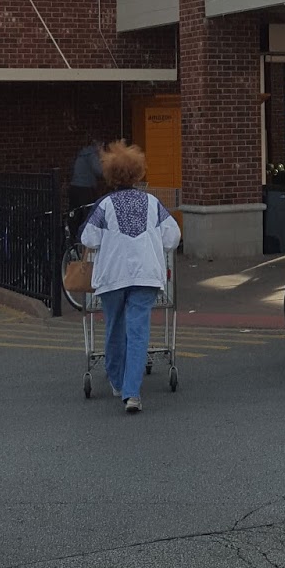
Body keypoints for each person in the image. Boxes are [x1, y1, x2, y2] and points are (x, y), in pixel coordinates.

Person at [81, 142, 181, 415]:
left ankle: (116, 380)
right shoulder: (153, 203)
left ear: (110, 175)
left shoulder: (104, 205)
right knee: (138, 332)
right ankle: (132, 392)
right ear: (138, 174)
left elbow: (88, 238)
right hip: (146, 274)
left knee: (114, 327)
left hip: (113, 275)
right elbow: (172, 237)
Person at [68, 136, 105, 218]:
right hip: (85, 188)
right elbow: (99, 171)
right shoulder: (92, 155)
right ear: (99, 145)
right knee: (87, 214)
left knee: (75, 214)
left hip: (74, 186)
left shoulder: (82, 154)